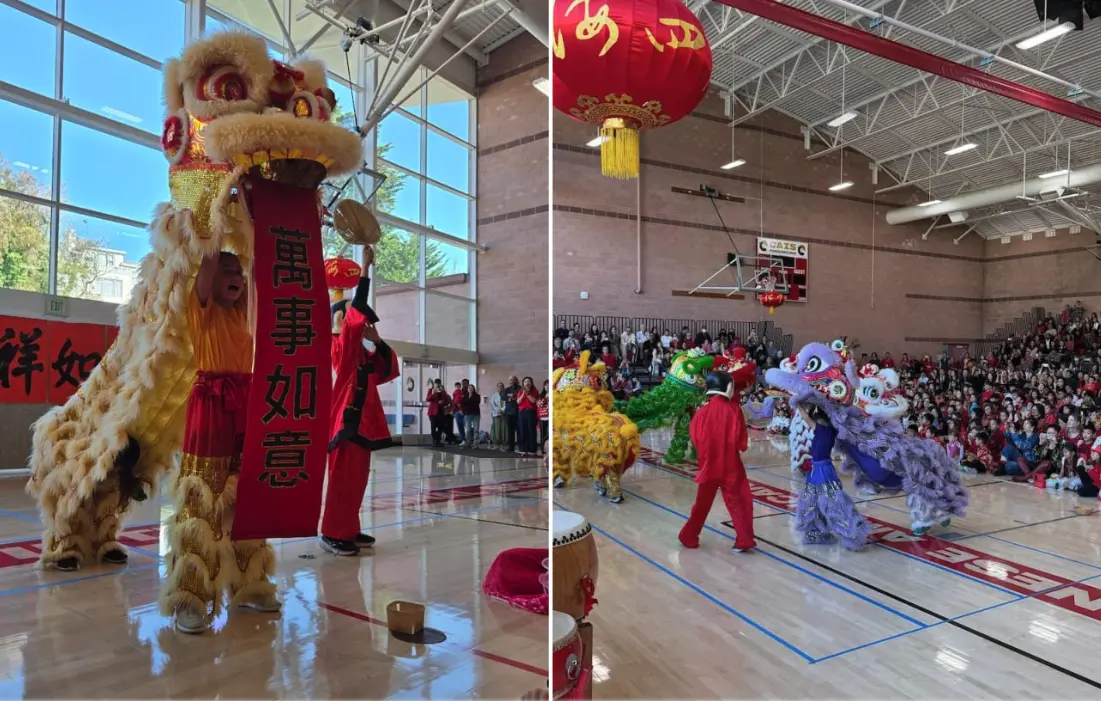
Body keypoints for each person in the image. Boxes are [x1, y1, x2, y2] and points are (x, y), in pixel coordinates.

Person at [163, 251, 279, 635]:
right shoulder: (202, 310)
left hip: (247, 403)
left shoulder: (247, 312)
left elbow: (258, 268)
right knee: (202, 501)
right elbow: (209, 261)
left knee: (249, 496)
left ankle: (250, 585)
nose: (236, 277)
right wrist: (214, 218)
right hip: (211, 405)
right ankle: (191, 598)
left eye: (239, 274)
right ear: (208, 282)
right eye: (227, 272)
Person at [320, 245, 399, 557]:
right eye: (351, 316)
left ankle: (348, 528)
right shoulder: (339, 346)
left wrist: (378, 342)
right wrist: (366, 269)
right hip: (345, 423)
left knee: (356, 482)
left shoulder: (360, 355)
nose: (361, 322)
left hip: (362, 425)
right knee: (342, 482)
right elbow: (356, 311)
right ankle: (331, 532)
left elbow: (385, 369)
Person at [678, 371, 756, 552]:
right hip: (731, 464)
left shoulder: (702, 412)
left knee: (702, 504)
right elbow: (741, 443)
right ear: (728, 387)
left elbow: (695, 439)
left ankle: (689, 535)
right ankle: (744, 539)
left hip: (708, 465)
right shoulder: (734, 409)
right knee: (738, 501)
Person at [517, 376, 540, 457]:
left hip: (531, 412)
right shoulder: (520, 391)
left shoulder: (535, 390)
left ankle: (532, 450)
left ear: (531, 383)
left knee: (531, 430)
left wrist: (528, 394)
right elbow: (518, 402)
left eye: (529, 381)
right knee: (523, 430)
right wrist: (523, 393)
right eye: (525, 381)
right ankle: (523, 449)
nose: (527, 383)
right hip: (522, 412)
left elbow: (533, 401)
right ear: (523, 383)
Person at [426, 379, 451, 447]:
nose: (437, 385)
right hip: (433, 412)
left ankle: (437, 440)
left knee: (441, 426)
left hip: (440, 411)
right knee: (433, 427)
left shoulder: (443, 392)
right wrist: (433, 393)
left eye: (438, 383)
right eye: (436, 383)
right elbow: (428, 399)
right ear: (434, 384)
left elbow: (446, 401)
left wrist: (443, 402)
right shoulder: (431, 390)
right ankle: (435, 440)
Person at [461, 383, 481, 448]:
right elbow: (463, 404)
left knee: (476, 429)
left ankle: (476, 443)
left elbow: (476, 402)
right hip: (467, 414)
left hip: (476, 414)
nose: (470, 389)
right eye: (469, 388)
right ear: (468, 389)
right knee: (468, 429)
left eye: (472, 388)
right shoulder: (465, 396)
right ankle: (468, 442)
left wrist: (470, 398)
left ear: (474, 389)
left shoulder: (477, 396)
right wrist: (469, 397)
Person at [503, 377, 520, 452]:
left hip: (518, 412)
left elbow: (520, 396)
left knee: (519, 430)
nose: (512, 381)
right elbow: (502, 397)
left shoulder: (520, 388)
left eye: (513, 380)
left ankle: (521, 446)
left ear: (516, 380)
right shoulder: (507, 389)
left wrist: (514, 397)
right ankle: (511, 447)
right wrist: (508, 396)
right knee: (510, 431)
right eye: (510, 380)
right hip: (509, 412)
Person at [489, 382, 506, 450]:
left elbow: (506, 404)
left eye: (501, 386)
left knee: (503, 429)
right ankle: (496, 444)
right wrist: (498, 411)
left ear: (503, 387)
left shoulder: (506, 395)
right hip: (496, 415)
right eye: (498, 386)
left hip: (504, 415)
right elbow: (492, 405)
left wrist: (502, 411)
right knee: (496, 430)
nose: (500, 387)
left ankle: (503, 445)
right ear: (497, 387)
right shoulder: (494, 395)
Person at [538, 380, 550, 451]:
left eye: (548, 385)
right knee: (543, 434)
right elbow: (539, 405)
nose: (547, 387)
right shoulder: (541, 395)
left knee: (549, 434)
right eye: (546, 385)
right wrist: (545, 398)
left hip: (550, 417)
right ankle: (543, 450)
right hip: (543, 417)